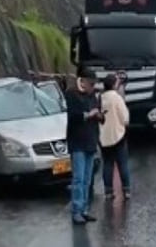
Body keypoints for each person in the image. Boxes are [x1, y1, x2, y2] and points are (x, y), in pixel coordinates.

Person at [65, 68, 103, 225]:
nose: (93, 87)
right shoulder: (71, 94)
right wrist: (89, 114)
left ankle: (84, 209)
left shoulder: (93, 95)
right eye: (91, 84)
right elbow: (73, 117)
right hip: (77, 142)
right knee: (78, 179)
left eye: (95, 84)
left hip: (90, 141)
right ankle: (76, 211)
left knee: (88, 179)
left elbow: (98, 115)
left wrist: (100, 116)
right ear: (84, 81)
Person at [99, 74, 131, 200]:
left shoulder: (99, 98)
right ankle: (126, 190)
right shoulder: (116, 98)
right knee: (122, 164)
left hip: (104, 137)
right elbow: (125, 118)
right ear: (114, 84)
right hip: (118, 135)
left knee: (107, 164)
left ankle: (108, 191)